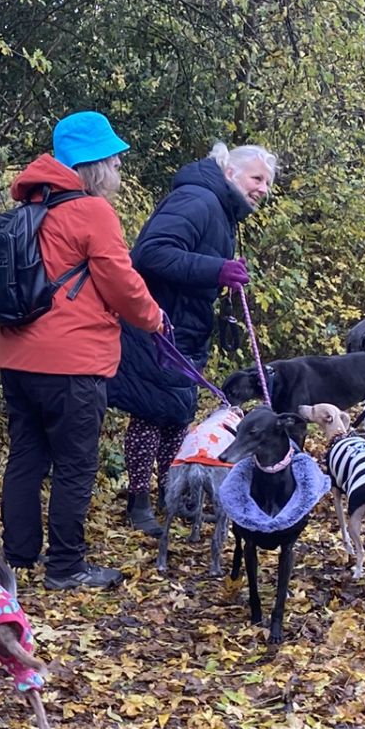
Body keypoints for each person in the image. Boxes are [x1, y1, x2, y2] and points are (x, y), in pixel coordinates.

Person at [0, 112, 167, 590]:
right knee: (75, 464)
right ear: (94, 166)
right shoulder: (92, 212)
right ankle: (67, 566)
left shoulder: (30, 209)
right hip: (71, 363)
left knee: (26, 457)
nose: (118, 170)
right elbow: (122, 283)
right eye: (114, 161)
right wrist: (154, 319)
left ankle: (18, 557)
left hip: (16, 358)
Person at [109, 142, 277, 537]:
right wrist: (217, 269)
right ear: (230, 173)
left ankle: (171, 494)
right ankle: (139, 502)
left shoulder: (220, 209)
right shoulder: (197, 199)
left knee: (177, 416)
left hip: (184, 329)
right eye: (257, 178)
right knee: (150, 414)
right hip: (157, 327)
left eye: (267, 183)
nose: (263, 189)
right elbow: (151, 254)